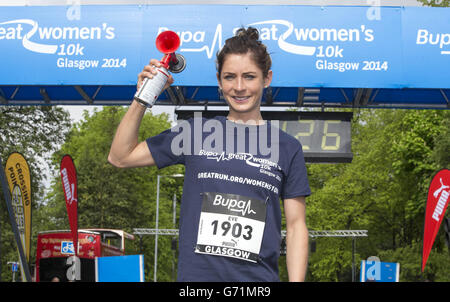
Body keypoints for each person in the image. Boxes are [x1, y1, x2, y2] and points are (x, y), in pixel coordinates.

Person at [108, 27, 310, 282]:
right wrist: (142, 98)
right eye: (229, 77)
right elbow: (120, 156)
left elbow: (296, 227)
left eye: (249, 77)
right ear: (219, 80)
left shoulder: (287, 147)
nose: (239, 87)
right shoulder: (195, 132)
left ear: (266, 78)